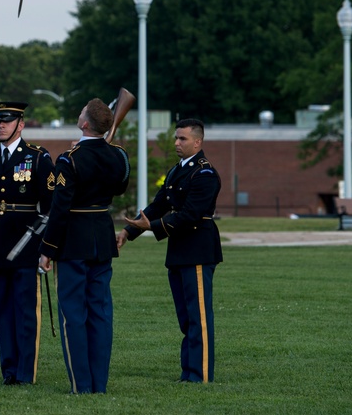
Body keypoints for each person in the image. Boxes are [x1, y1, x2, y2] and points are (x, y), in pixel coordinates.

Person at [118, 118, 223, 384]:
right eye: (176, 138)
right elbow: (158, 205)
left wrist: (151, 226)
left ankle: (200, 374)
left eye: (182, 139)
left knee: (198, 317)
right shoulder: (177, 171)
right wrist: (130, 231)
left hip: (198, 250)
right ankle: (188, 372)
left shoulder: (205, 174)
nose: (176, 143)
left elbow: (190, 215)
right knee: (186, 317)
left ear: (197, 142)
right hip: (179, 250)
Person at [38, 98, 130, 394]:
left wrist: (47, 249)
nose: (78, 115)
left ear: (85, 124)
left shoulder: (69, 158)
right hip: (101, 236)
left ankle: (82, 384)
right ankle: (98, 384)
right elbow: (119, 187)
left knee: (74, 314)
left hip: (73, 239)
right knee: (100, 312)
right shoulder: (119, 156)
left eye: (80, 113)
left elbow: (59, 205)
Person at [0, 101, 54, 385]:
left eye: (7, 121)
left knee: (24, 313)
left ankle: (25, 372)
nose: (1, 125)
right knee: (2, 312)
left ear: (20, 124)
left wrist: (46, 248)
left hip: (25, 245)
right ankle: (8, 371)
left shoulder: (37, 157)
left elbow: (50, 207)